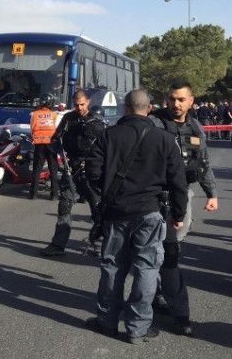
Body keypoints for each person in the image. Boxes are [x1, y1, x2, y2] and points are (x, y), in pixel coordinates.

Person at [85, 89, 187, 344]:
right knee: (147, 270)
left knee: (112, 267)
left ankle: (107, 321)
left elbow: (92, 172)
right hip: (151, 212)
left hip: (116, 212)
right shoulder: (164, 139)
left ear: (125, 109)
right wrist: (179, 213)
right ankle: (138, 328)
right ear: (149, 109)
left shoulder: (108, 136)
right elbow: (178, 182)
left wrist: (107, 192)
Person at [148, 81, 218, 336]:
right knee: (158, 250)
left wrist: (212, 193)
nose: (175, 104)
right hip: (153, 193)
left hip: (182, 194)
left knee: (171, 249)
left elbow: (204, 162)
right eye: (171, 99)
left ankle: (162, 292)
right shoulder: (154, 123)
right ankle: (164, 300)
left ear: (191, 101)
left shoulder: (196, 126)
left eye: (180, 100)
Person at [40, 90, 105, 256]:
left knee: (98, 208)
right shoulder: (69, 119)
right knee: (65, 205)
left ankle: (101, 244)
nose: (79, 108)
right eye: (76, 105)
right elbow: (56, 139)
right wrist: (60, 153)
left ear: (88, 102)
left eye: (82, 104)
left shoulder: (97, 122)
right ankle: (58, 244)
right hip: (72, 169)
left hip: (92, 170)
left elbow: (106, 148)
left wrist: (95, 164)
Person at [29, 93, 59, 200]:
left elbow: (31, 130)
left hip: (39, 144)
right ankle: (54, 194)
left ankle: (33, 194)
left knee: (37, 169)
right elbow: (58, 130)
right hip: (51, 144)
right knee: (53, 169)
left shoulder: (34, 114)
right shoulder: (55, 115)